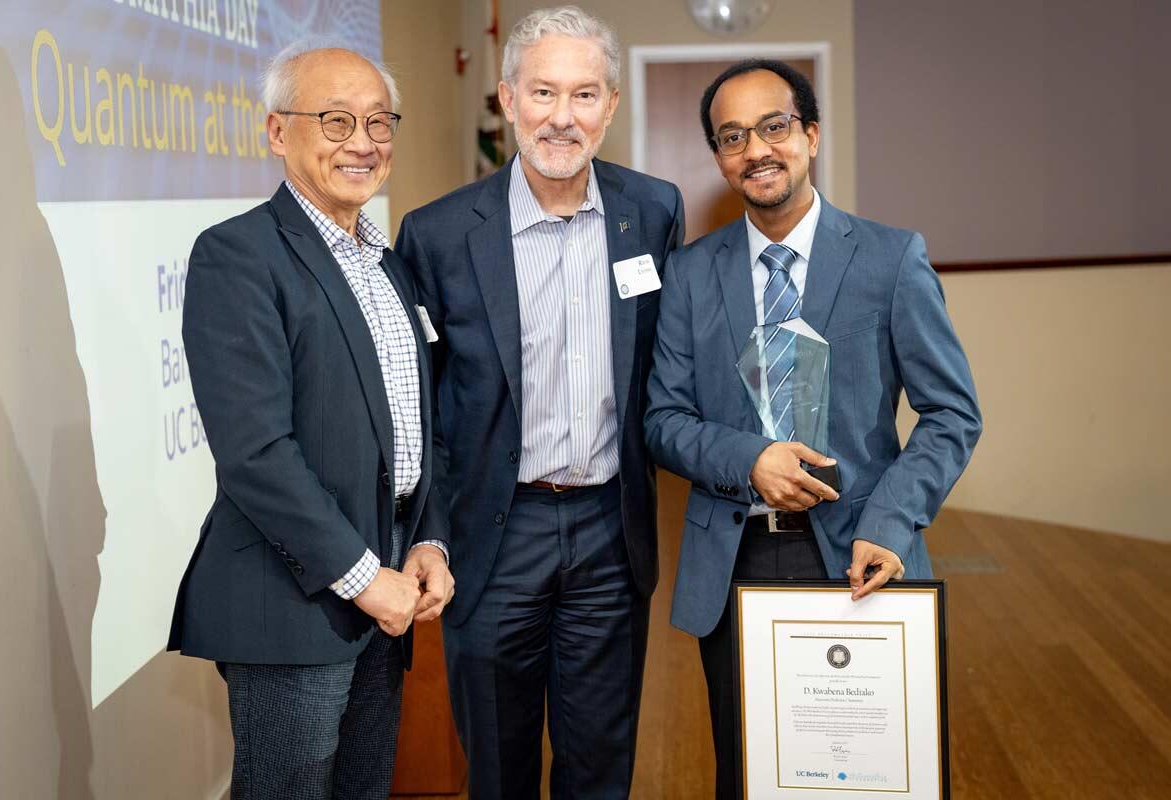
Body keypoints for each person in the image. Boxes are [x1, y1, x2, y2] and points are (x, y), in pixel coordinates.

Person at [644, 59, 982, 799]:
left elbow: (953, 412)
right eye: (733, 137)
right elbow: (662, 421)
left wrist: (891, 523)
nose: (756, 149)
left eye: (774, 126)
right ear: (718, 157)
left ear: (811, 135)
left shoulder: (891, 259)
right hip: (734, 567)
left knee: (868, 780)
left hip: (863, 558)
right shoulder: (692, 275)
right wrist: (750, 458)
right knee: (749, 776)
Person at [394, 6, 683, 798]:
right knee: (498, 763)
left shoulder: (652, 213)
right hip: (495, 531)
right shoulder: (440, 233)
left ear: (611, 106)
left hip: (608, 534)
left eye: (585, 95)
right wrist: (432, 536)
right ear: (508, 98)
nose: (563, 117)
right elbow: (420, 407)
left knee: (599, 764)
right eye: (544, 92)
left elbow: (668, 369)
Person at [167, 40, 454, 800]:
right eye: (334, 121)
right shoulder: (238, 256)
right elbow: (256, 454)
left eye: (378, 121)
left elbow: (411, 424)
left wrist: (425, 539)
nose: (363, 142)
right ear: (276, 132)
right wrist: (368, 582)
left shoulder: (385, 262)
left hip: (384, 591)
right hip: (292, 607)